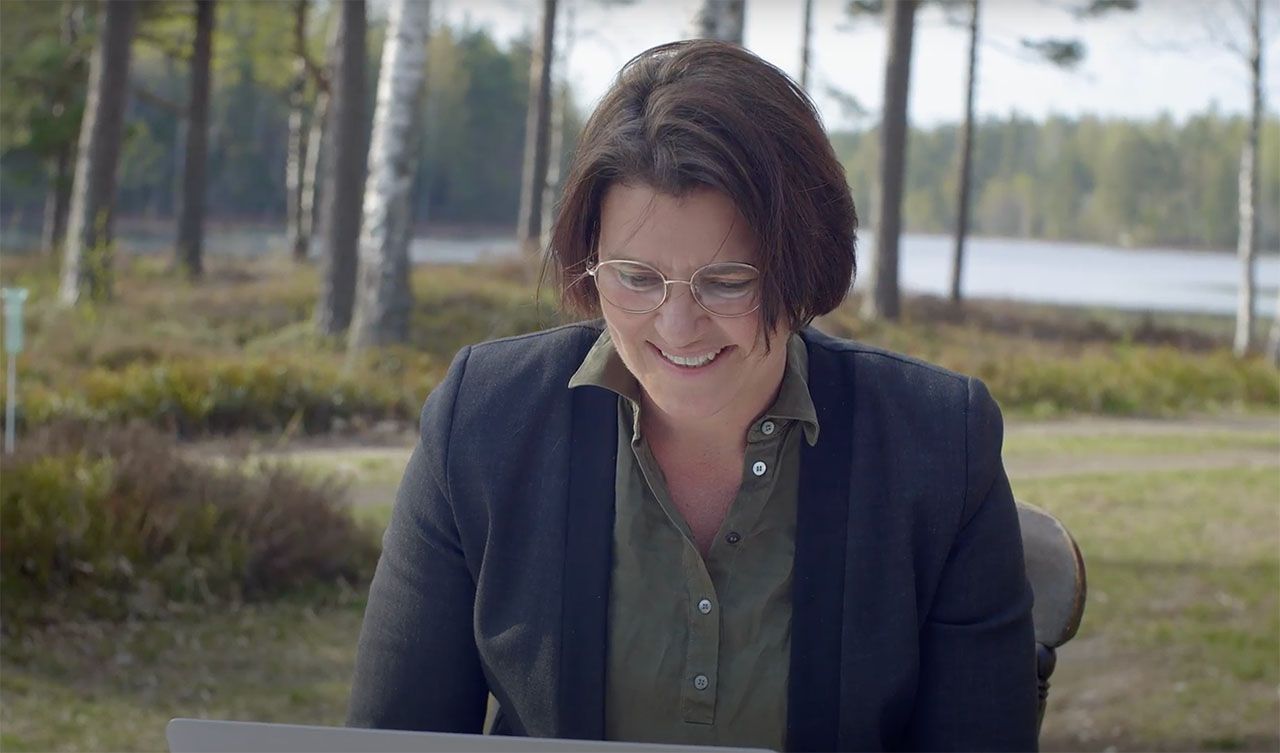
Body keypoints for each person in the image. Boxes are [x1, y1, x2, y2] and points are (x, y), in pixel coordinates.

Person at [346, 40, 1037, 752]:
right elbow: (394, 735)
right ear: (589, 261)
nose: (677, 327)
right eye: (635, 277)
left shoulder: (940, 446)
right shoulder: (483, 420)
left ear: (802, 264)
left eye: (727, 279)